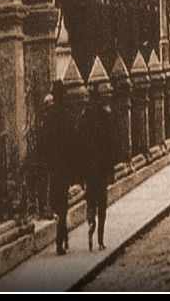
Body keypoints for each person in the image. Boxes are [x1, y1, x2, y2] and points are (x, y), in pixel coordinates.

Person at [80, 84, 116, 251]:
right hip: (101, 168)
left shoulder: (84, 118)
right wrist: (111, 169)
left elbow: (79, 146)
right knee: (102, 203)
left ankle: (90, 222)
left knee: (91, 200)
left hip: (89, 168)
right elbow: (110, 145)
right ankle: (100, 239)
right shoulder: (105, 116)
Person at [42, 80, 77, 255]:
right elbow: (72, 142)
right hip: (65, 165)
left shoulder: (49, 116)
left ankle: (62, 236)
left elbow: (45, 142)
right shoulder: (66, 115)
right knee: (63, 203)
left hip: (53, 165)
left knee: (57, 201)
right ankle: (61, 239)